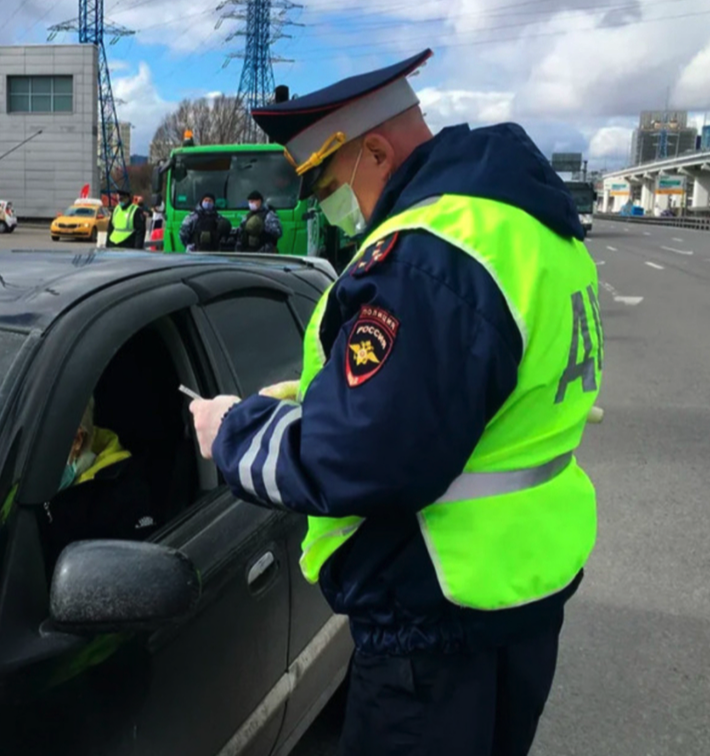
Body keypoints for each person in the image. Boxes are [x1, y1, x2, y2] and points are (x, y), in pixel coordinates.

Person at [189, 49, 603, 756]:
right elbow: (464, 394)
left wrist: (232, 431)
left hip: (436, 623)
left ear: (374, 151)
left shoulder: (428, 254)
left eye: (323, 183)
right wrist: (315, 397)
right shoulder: (529, 229)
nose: (326, 205)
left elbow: (364, 457)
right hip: (518, 593)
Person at [39, 399, 160, 570]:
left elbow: (136, 573)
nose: (31, 459)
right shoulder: (18, 486)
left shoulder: (125, 493)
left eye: (40, 444)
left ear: (76, 441)